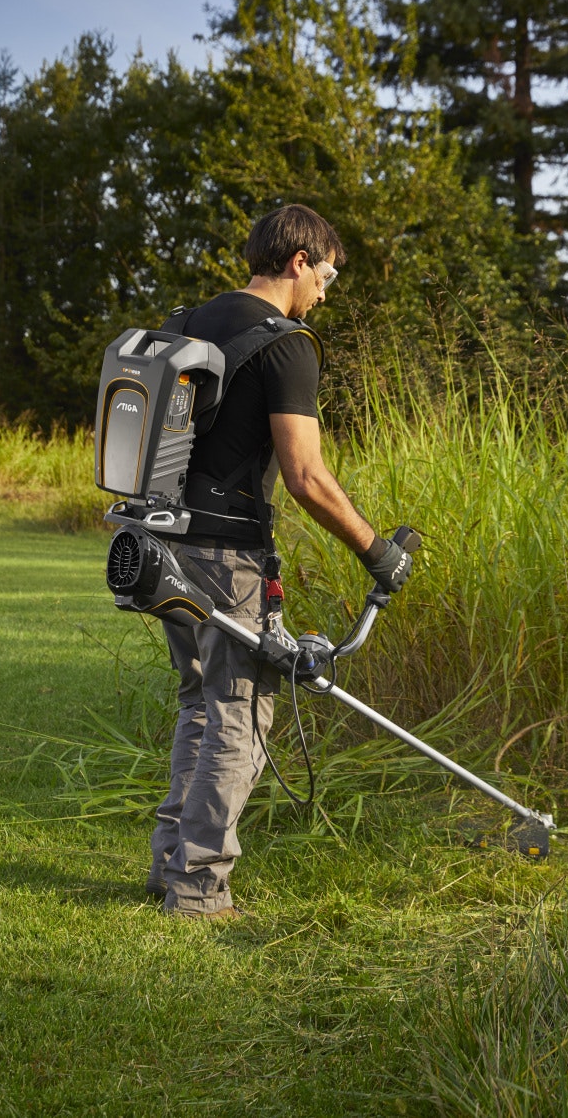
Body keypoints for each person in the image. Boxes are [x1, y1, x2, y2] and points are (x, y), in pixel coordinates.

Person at [146, 203, 413, 919]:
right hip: (226, 551)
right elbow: (306, 476)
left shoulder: (190, 320)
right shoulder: (287, 343)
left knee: (201, 702)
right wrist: (377, 550)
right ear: (299, 263)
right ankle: (199, 891)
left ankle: (169, 865)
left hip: (161, 543)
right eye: (326, 276)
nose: (325, 293)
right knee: (239, 715)